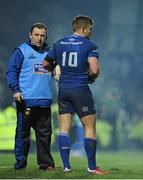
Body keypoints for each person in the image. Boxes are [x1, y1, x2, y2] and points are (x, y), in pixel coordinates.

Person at [43, 15, 107, 174]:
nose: (91, 32)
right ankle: (92, 167)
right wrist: (92, 77)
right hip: (80, 89)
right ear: (85, 28)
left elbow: (45, 64)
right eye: (90, 29)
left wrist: (55, 71)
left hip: (63, 90)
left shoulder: (59, 43)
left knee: (64, 129)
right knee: (90, 127)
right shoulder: (89, 45)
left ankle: (66, 166)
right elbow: (94, 69)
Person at [6, 23, 55, 170]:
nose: (39, 38)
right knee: (23, 135)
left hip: (45, 102)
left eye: (42, 35)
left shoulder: (51, 52)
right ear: (30, 35)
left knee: (44, 135)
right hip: (26, 101)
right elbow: (11, 72)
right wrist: (15, 90)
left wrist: (57, 71)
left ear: (46, 37)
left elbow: (56, 70)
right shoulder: (21, 51)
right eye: (36, 35)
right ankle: (21, 164)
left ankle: (46, 165)